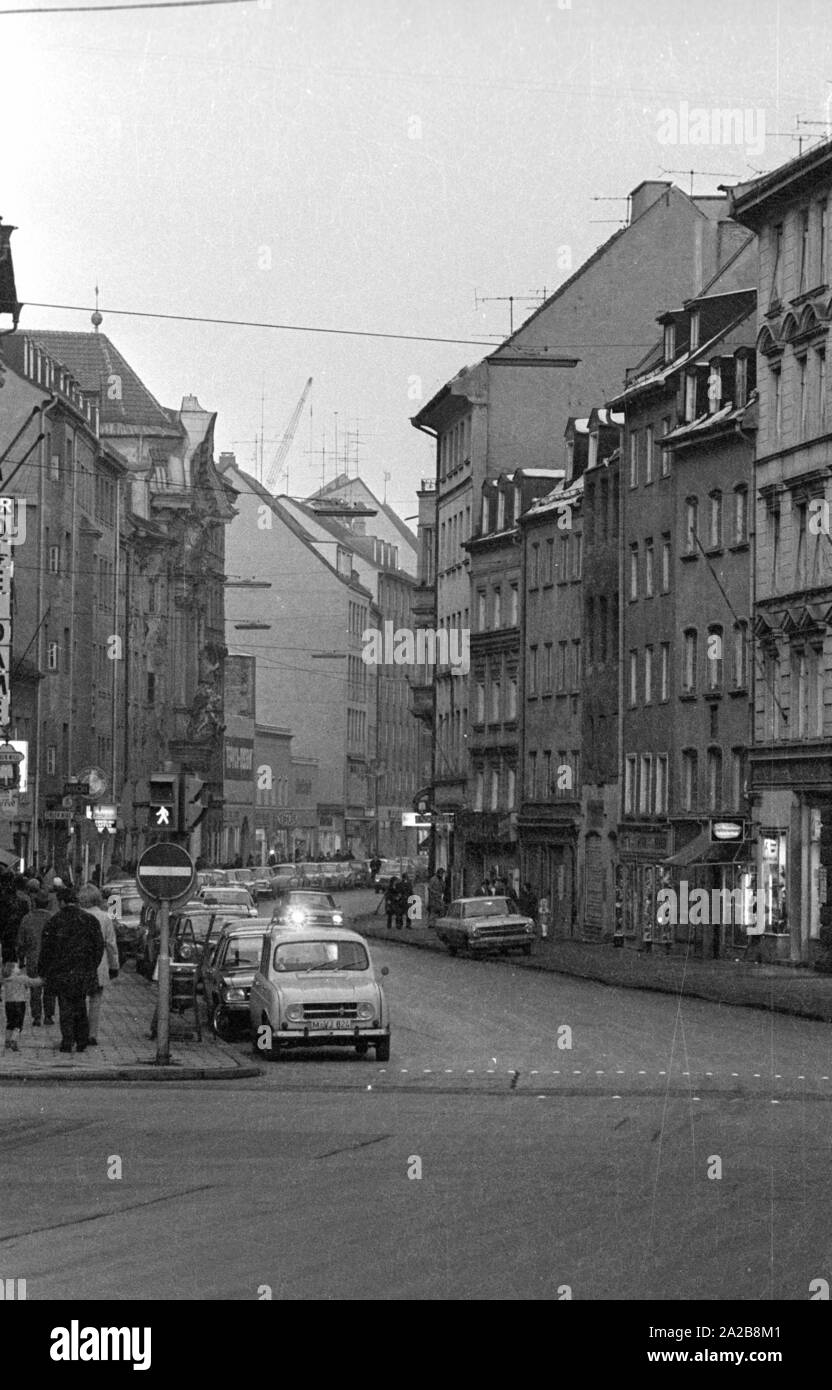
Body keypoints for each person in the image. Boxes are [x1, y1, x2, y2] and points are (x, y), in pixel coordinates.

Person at [37, 887, 104, 1054]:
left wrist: (43, 971)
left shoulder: (55, 921)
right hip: (83, 971)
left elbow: (46, 949)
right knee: (80, 1004)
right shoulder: (89, 920)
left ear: (61, 902)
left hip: (61, 972)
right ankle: (81, 1040)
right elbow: (99, 946)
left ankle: (67, 1041)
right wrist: (91, 966)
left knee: (65, 1006)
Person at [76, 886, 120, 1046]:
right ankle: (92, 1034)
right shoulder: (105, 917)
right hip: (99, 963)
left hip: (79, 963)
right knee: (95, 1000)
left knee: (78, 999)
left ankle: (78, 1031)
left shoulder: (77, 916)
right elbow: (111, 944)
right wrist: (114, 965)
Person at [17, 888, 53, 1027]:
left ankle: (36, 1016)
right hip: (49, 959)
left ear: (35, 902)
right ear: (48, 903)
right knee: (49, 989)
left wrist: (21, 960)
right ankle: (49, 1015)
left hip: (33, 958)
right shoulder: (52, 918)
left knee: (35, 990)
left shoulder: (27, 918)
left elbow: (21, 942)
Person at [2, 956, 41, 1051]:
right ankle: (13, 1041)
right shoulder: (21, 978)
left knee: (10, 1023)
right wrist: (42, 979)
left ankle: (7, 1041)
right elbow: (34, 982)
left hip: (8, 1003)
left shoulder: (6, 979)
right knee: (18, 1024)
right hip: (19, 1003)